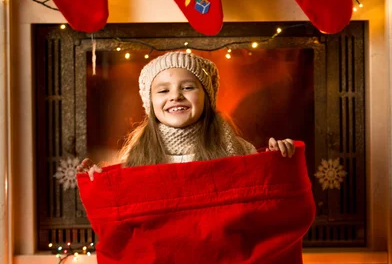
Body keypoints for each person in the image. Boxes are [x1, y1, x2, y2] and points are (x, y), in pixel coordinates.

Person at [77, 51, 295, 180]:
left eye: (188, 87)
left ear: (206, 97)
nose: (175, 96)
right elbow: (123, 203)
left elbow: (260, 190)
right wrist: (100, 181)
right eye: (163, 91)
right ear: (151, 104)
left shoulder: (237, 149)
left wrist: (278, 160)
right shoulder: (137, 155)